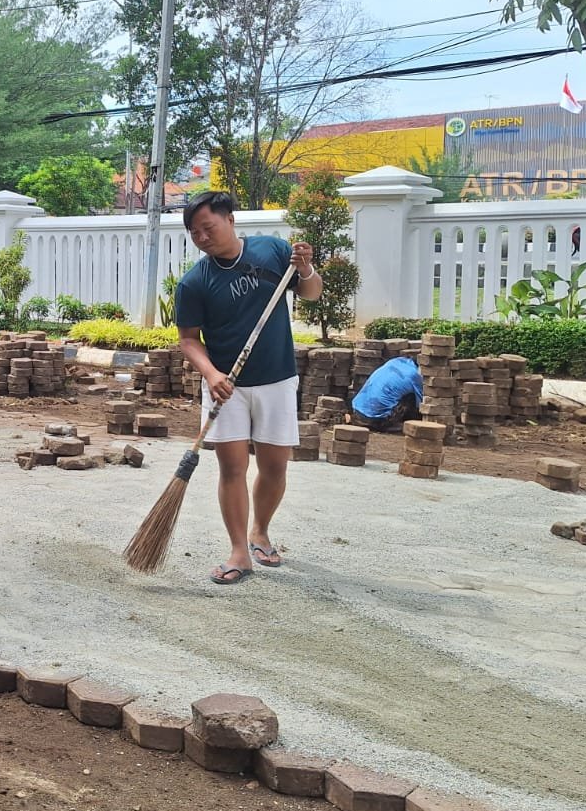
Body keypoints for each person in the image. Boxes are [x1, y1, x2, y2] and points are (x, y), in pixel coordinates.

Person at [173, 191, 323, 586]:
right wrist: (210, 374)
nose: (202, 237)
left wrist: (305, 269)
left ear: (230, 219)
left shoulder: (273, 252)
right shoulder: (194, 283)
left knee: (275, 466)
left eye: (208, 227)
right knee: (232, 467)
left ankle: (260, 532)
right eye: (194, 233)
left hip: (276, 377)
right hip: (226, 386)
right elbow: (188, 339)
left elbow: (311, 293)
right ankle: (240, 550)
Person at [348, 355, 423, 432]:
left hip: (357, 410)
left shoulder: (396, 361)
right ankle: (387, 424)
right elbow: (421, 406)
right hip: (376, 419)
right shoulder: (414, 375)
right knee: (412, 396)